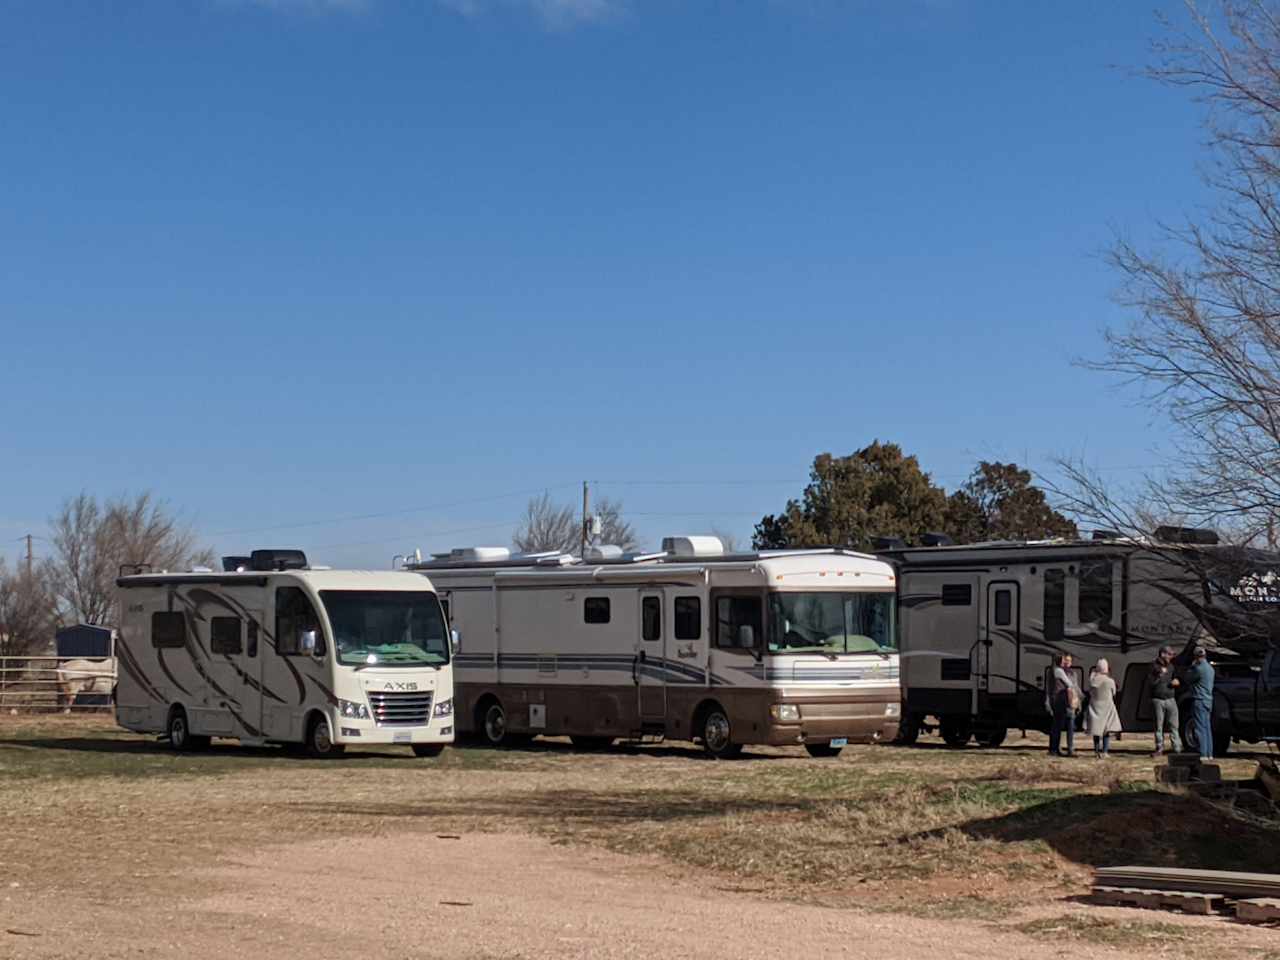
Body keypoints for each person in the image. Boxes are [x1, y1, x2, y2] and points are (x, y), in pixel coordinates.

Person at [1149, 645, 1183, 755]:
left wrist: (1176, 682)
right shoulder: (1153, 666)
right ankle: (1159, 748)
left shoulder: (1172, 666)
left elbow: (1176, 678)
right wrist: (1160, 674)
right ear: (1162, 654)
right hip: (1158, 699)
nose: (1171, 657)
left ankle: (1177, 748)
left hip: (1171, 698)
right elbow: (1151, 683)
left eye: (1172, 654)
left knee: (1174, 725)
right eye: (1169, 654)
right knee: (1159, 726)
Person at [1086, 658, 1122, 757]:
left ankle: (1096, 751)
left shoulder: (1092, 680)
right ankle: (1105, 752)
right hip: (1107, 706)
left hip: (1095, 706)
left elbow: (1090, 692)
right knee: (1106, 730)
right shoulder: (1110, 681)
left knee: (1096, 730)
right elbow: (1114, 693)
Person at [1186, 644, 1216, 760]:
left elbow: (1188, 678)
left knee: (1200, 727)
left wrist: (1191, 667)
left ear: (1196, 657)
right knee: (1207, 728)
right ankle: (1209, 753)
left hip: (1199, 699)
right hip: (1209, 700)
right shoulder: (1210, 669)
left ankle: (1203, 753)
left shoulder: (1198, 669)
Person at [1049, 653, 1080, 757]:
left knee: (1057, 725)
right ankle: (1054, 749)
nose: (1065, 662)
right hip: (1060, 700)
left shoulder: (1054, 670)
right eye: (1063, 660)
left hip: (1060, 700)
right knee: (1058, 725)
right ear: (1059, 661)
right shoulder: (1059, 671)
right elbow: (1069, 684)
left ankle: (1055, 748)